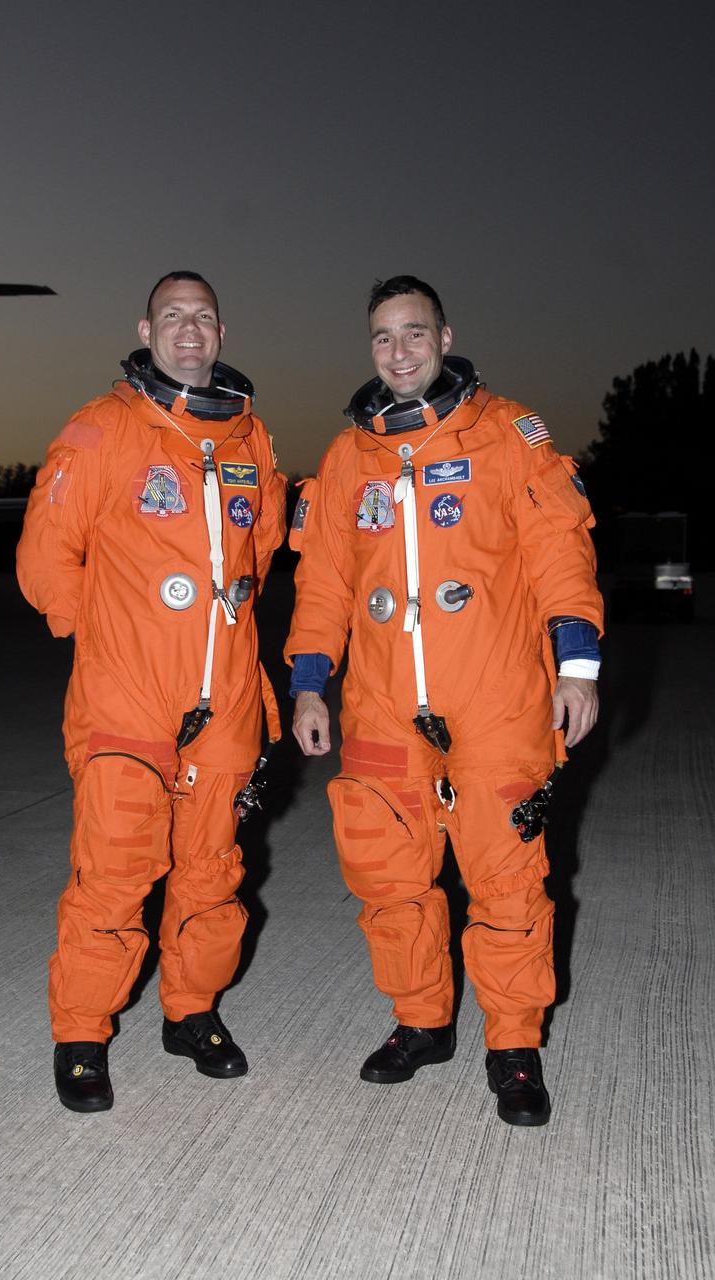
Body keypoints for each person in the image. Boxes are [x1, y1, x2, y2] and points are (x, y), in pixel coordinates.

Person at [287, 275, 602, 1126]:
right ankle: (422, 1021)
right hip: (385, 705)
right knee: (390, 877)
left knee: (506, 881)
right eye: (384, 338)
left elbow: (560, 552)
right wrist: (310, 684)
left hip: (496, 698)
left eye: (413, 334)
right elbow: (321, 583)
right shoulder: (348, 457)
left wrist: (579, 667)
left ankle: (515, 1046)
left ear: (445, 335)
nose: (399, 352)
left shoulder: (507, 433)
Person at [18, 271, 286, 1111]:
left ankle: (192, 1011)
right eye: (173, 317)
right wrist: (100, 637)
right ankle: (82, 1035)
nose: (189, 331)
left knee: (211, 870)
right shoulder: (103, 429)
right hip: (127, 698)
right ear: (146, 327)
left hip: (227, 696)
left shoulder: (250, 439)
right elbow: (43, 558)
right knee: (116, 872)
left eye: (203, 317)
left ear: (220, 331)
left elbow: (258, 555)